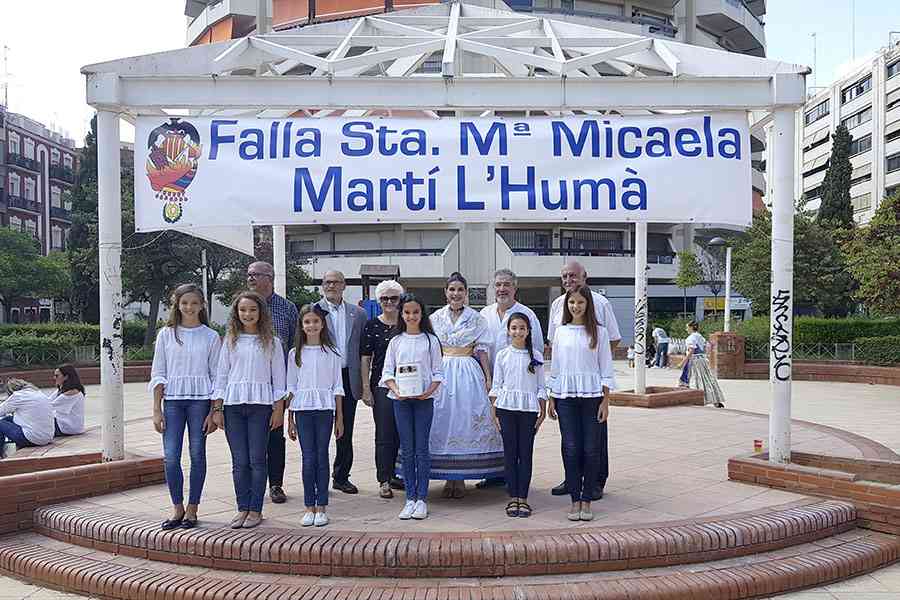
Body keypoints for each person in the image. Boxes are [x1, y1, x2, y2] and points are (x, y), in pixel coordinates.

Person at [211, 291, 286, 529]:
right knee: (239, 461)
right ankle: (242, 507)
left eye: (253, 309)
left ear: (261, 312)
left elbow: (279, 380)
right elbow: (221, 376)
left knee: (257, 459)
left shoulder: (272, 342)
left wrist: (278, 409)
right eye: (243, 310)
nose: (247, 314)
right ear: (236, 313)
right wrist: (217, 408)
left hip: (261, 407)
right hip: (233, 406)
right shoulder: (230, 340)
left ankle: (255, 509)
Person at [149, 283, 221, 530]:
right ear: (177, 305)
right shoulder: (166, 334)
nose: (189, 307)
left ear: (202, 306)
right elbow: (158, 372)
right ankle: (177, 507)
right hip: (172, 403)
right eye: (184, 303)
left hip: (200, 402)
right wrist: (156, 409)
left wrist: (214, 411)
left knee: (197, 454)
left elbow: (217, 376)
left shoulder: (211, 336)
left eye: (194, 303)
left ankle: (193, 508)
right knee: (171, 457)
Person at [547, 260, 621, 500]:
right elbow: (555, 344)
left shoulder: (601, 302)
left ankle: (596, 481)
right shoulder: (558, 304)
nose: (569, 280)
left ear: (584, 276)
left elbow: (613, 339)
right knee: (569, 440)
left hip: (591, 387)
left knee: (594, 441)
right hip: (567, 387)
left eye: (573, 275)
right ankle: (572, 479)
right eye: (565, 276)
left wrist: (593, 360)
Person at [430, 272, 504, 499]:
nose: (456, 294)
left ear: (466, 293)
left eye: (460, 290)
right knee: (443, 419)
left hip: (468, 373)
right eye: (452, 289)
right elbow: (429, 349)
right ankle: (447, 477)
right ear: (445, 292)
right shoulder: (434, 318)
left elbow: (482, 350)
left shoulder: (476, 318)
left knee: (465, 419)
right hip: (442, 371)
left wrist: (488, 378)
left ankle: (461, 478)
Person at [477, 269, 544, 490]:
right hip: (491, 382)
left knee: (519, 441)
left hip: (519, 388)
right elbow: (480, 347)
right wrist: (487, 378)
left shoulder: (527, 314)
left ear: (515, 287)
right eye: (498, 285)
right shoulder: (485, 313)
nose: (502, 289)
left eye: (506, 284)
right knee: (493, 430)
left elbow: (536, 350)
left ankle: (516, 482)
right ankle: (494, 474)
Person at [380, 293, 443, 520]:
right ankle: (410, 498)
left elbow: (438, 372)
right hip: (401, 402)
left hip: (424, 401)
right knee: (407, 449)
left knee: (421, 449)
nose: (411, 316)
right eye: (407, 312)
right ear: (401, 314)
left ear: (422, 313)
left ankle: (422, 499)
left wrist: (428, 391)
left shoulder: (431, 340)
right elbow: (387, 372)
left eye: (416, 312)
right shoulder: (396, 341)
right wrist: (397, 390)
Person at [286, 304, 344, 528]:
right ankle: (309, 506)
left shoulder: (332, 353)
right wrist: (290, 419)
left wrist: (339, 418)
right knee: (308, 457)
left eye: (315, 321)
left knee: (322, 456)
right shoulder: (295, 354)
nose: (311, 326)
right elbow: (291, 387)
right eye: (307, 322)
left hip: (324, 409)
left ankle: (322, 506)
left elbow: (337, 387)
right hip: (302, 410)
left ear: (322, 324)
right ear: (301, 326)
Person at [246, 261, 298, 505]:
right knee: (249, 438)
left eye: (255, 274)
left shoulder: (287, 308)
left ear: (270, 277)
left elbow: (296, 346)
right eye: (248, 274)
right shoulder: (243, 305)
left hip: (277, 384)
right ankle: (250, 483)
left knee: (275, 435)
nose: (250, 278)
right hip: (248, 385)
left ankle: (275, 484)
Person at [489, 313, 546, 519]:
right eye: (514, 328)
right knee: (510, 454)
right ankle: (513, 496)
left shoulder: (536, 356)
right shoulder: (502, 355)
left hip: (528, 410)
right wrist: (494, 411)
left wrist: (542, 412)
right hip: (506, 408)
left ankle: (524, 497)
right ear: (508, 331)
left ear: (528, 331)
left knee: (526, 453)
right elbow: (497, 386)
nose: (518, 332)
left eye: (522, 328)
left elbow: (541, 386)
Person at [315, 270, 368, 495]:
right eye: (327, 282)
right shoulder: (314, 311)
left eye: (336, 282)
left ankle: (341, 476)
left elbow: (363, 349)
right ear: (323, 285)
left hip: (348, 376)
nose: (331, 286)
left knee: (345, 430)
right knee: (320, 430)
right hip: (322, 377)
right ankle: (317, 477)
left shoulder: (359, 314)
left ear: (344, 285)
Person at [360, 280, 405, 498]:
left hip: (408, 386)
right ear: (379, 301)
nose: (389, 302)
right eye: (384, 298)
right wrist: (365, 388)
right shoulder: (371, 325)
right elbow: (365, 358)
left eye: (393, 298)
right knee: (384, 434)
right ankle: (384, 479)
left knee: (403, 433)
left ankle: (399, 474)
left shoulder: (407, 323)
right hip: (381, 385)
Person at [0, 379, 54, 457]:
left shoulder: (18, 396)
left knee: (1, 423)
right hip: (48, 437)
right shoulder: (39, 393)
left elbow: (1, 410)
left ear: (11, 391)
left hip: (32, 439)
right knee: (8, 419)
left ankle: (1, 453)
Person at [677, 321, 726, 408]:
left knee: (695, 380)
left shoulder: (691, 338)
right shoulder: (700, 336)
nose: (686, 329)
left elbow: (691, 351)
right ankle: (715, 400)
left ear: (691, 327)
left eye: (687, 327)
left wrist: (683, 362)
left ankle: (696, 400)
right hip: (702, 360)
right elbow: (708, 348)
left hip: (694, 361)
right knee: (707, 380)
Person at [51, 364, 86, 437]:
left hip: (69, 427)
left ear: (66, 377)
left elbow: (49, 406)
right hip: (63, 423)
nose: (54, 378)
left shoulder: (72, 393)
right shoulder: (62, 390)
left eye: (57, 376)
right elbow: (47, 401)